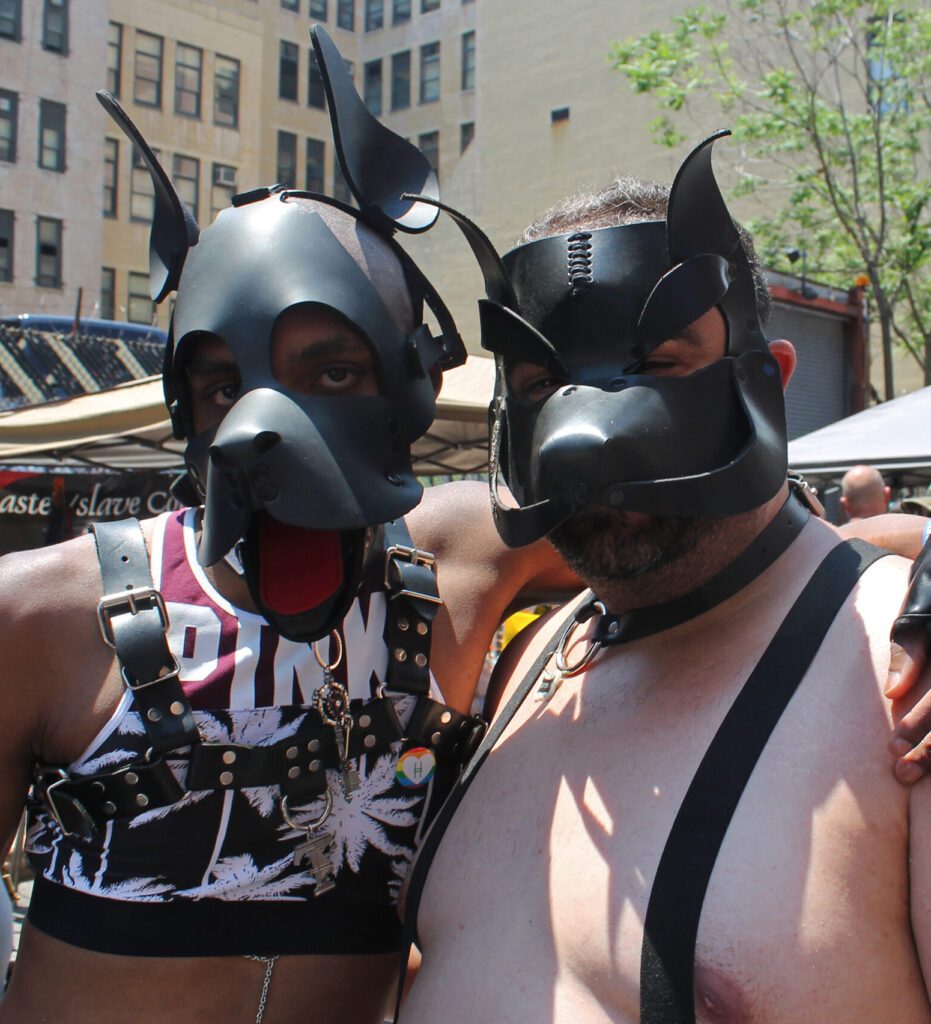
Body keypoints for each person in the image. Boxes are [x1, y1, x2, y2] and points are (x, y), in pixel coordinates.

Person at [0, 29, 578, 1024]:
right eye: (224, 383)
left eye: (334, 369)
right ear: (187, 402)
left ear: (407, 378)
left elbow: (724, 540)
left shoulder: (465, 560)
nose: (272, 423)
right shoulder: (43, 616)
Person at [398, 134, 931, 1024]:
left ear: (767, 380)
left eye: (658, 365)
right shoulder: (527, 664)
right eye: (540, 382)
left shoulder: (901, 688)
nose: (590, 433)